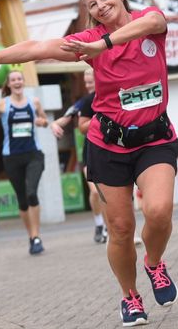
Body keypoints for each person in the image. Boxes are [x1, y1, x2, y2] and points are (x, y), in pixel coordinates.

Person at [0, 0, 178, 327]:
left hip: (154, 137)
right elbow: (38, 47)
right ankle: (130, 296)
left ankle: (154, 264)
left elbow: (152, 23)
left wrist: (100, 44)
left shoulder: (148, 20)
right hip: (109, 144)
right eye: (91, 4)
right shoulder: (84, 42)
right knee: (121, 228)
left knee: (158, 211)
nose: (100, 6)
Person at [0, 69, 51, 255]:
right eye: (13, 80)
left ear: (23, 82)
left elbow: (43, 119)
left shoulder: (33, 102)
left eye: (20, 78)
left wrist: (42, 123)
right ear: (9, 84)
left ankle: (36, 236)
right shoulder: (2, 105)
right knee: (22, 199)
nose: (17, 82)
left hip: (33, 154)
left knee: (31, 193)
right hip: (11, 157)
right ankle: (31, 236)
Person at [50, 68, 108, 244]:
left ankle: (112, 228)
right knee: (96, 192)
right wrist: (54, 124)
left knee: (109, 193)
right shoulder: (85, 102)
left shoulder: (110, 96)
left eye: (92, 81)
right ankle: (100, 224)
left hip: (111, 151)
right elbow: (67, 117)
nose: (89, 84)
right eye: (87, 82)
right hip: (90, 152)